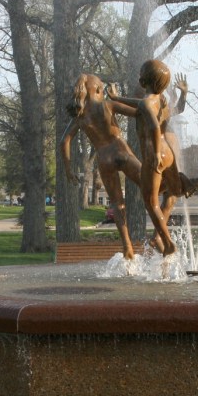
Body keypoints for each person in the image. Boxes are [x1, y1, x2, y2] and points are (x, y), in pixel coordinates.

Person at [105, 60, 187, 256]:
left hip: (155, 152)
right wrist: (184, 94)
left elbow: (153, 125)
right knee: (174, 191)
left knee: (150, 202)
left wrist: (156, 154)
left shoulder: (146, 103)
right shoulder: (161, 101)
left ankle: (167, 243)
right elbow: (176, 110)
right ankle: (188, 185)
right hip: (169, 153)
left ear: (144, 81)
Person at [59, 73, 144, 259]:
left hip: (104, 159)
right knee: (150, 185)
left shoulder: (80, 118)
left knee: (117, 203)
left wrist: (68, 170)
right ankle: (160, 236)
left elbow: (63, 142)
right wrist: (119, 97)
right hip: (120, 150)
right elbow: (139, 112)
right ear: (98, 90)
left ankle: (127, 246)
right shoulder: (108, 105)